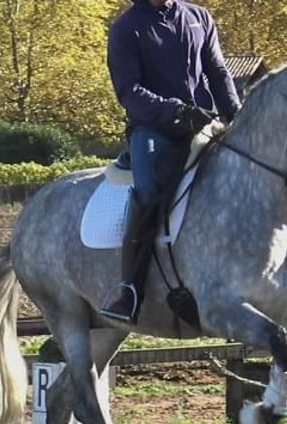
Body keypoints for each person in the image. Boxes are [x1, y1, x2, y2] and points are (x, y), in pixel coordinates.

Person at [100, 0, 242, 324]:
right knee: (148, 193)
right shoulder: (126, 28)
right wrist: (175, 110)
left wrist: (236, 114)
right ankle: (130, 290)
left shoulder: (198, 16)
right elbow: (129, 91)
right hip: (154, 129)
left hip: (204, 124)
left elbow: (217, 70)